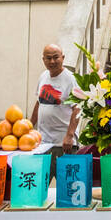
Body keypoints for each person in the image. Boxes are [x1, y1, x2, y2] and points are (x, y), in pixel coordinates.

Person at [30, 44, 79, 179]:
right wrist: (28, 127)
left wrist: (69, 135)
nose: (52, 61)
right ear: (43, 60)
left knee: (67, 183)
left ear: (63, 58)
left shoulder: (71, 79)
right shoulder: (43, 76)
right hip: (43, 143)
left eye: (56, 57)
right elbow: (39, 103)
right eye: (48, 58)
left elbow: (77, 108)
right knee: (41, 183)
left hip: (63, 144)